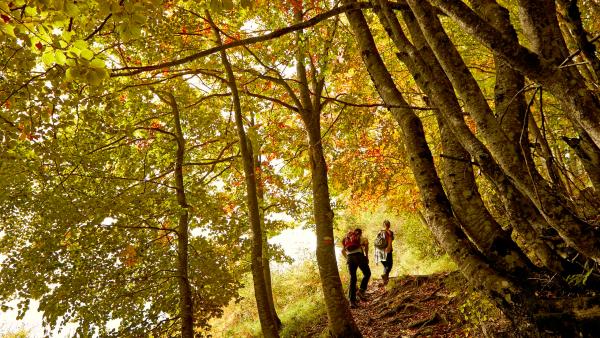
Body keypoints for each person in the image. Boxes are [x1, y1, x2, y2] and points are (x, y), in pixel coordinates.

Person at [342, 228, 371, 308]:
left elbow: (342, 251)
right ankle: (361, 291)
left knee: (353, 278)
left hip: (350, 258)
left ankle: (352, 302)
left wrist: (347, 258)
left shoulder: (347, 239)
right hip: (359, 256)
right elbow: (366, 245)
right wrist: (367, 256)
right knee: (367, 273)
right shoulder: (361, 238)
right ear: (360, 233)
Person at [375, 220, 394, 285]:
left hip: (380, 251)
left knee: (386, 266)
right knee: (389, 265)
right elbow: (390, 240)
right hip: (388, 250)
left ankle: (385, 281)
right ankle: (384, 275)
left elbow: (376, 242)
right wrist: (388, 247)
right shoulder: (390, 232)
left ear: (383, 225)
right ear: (389, 225)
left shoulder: (379, 232)